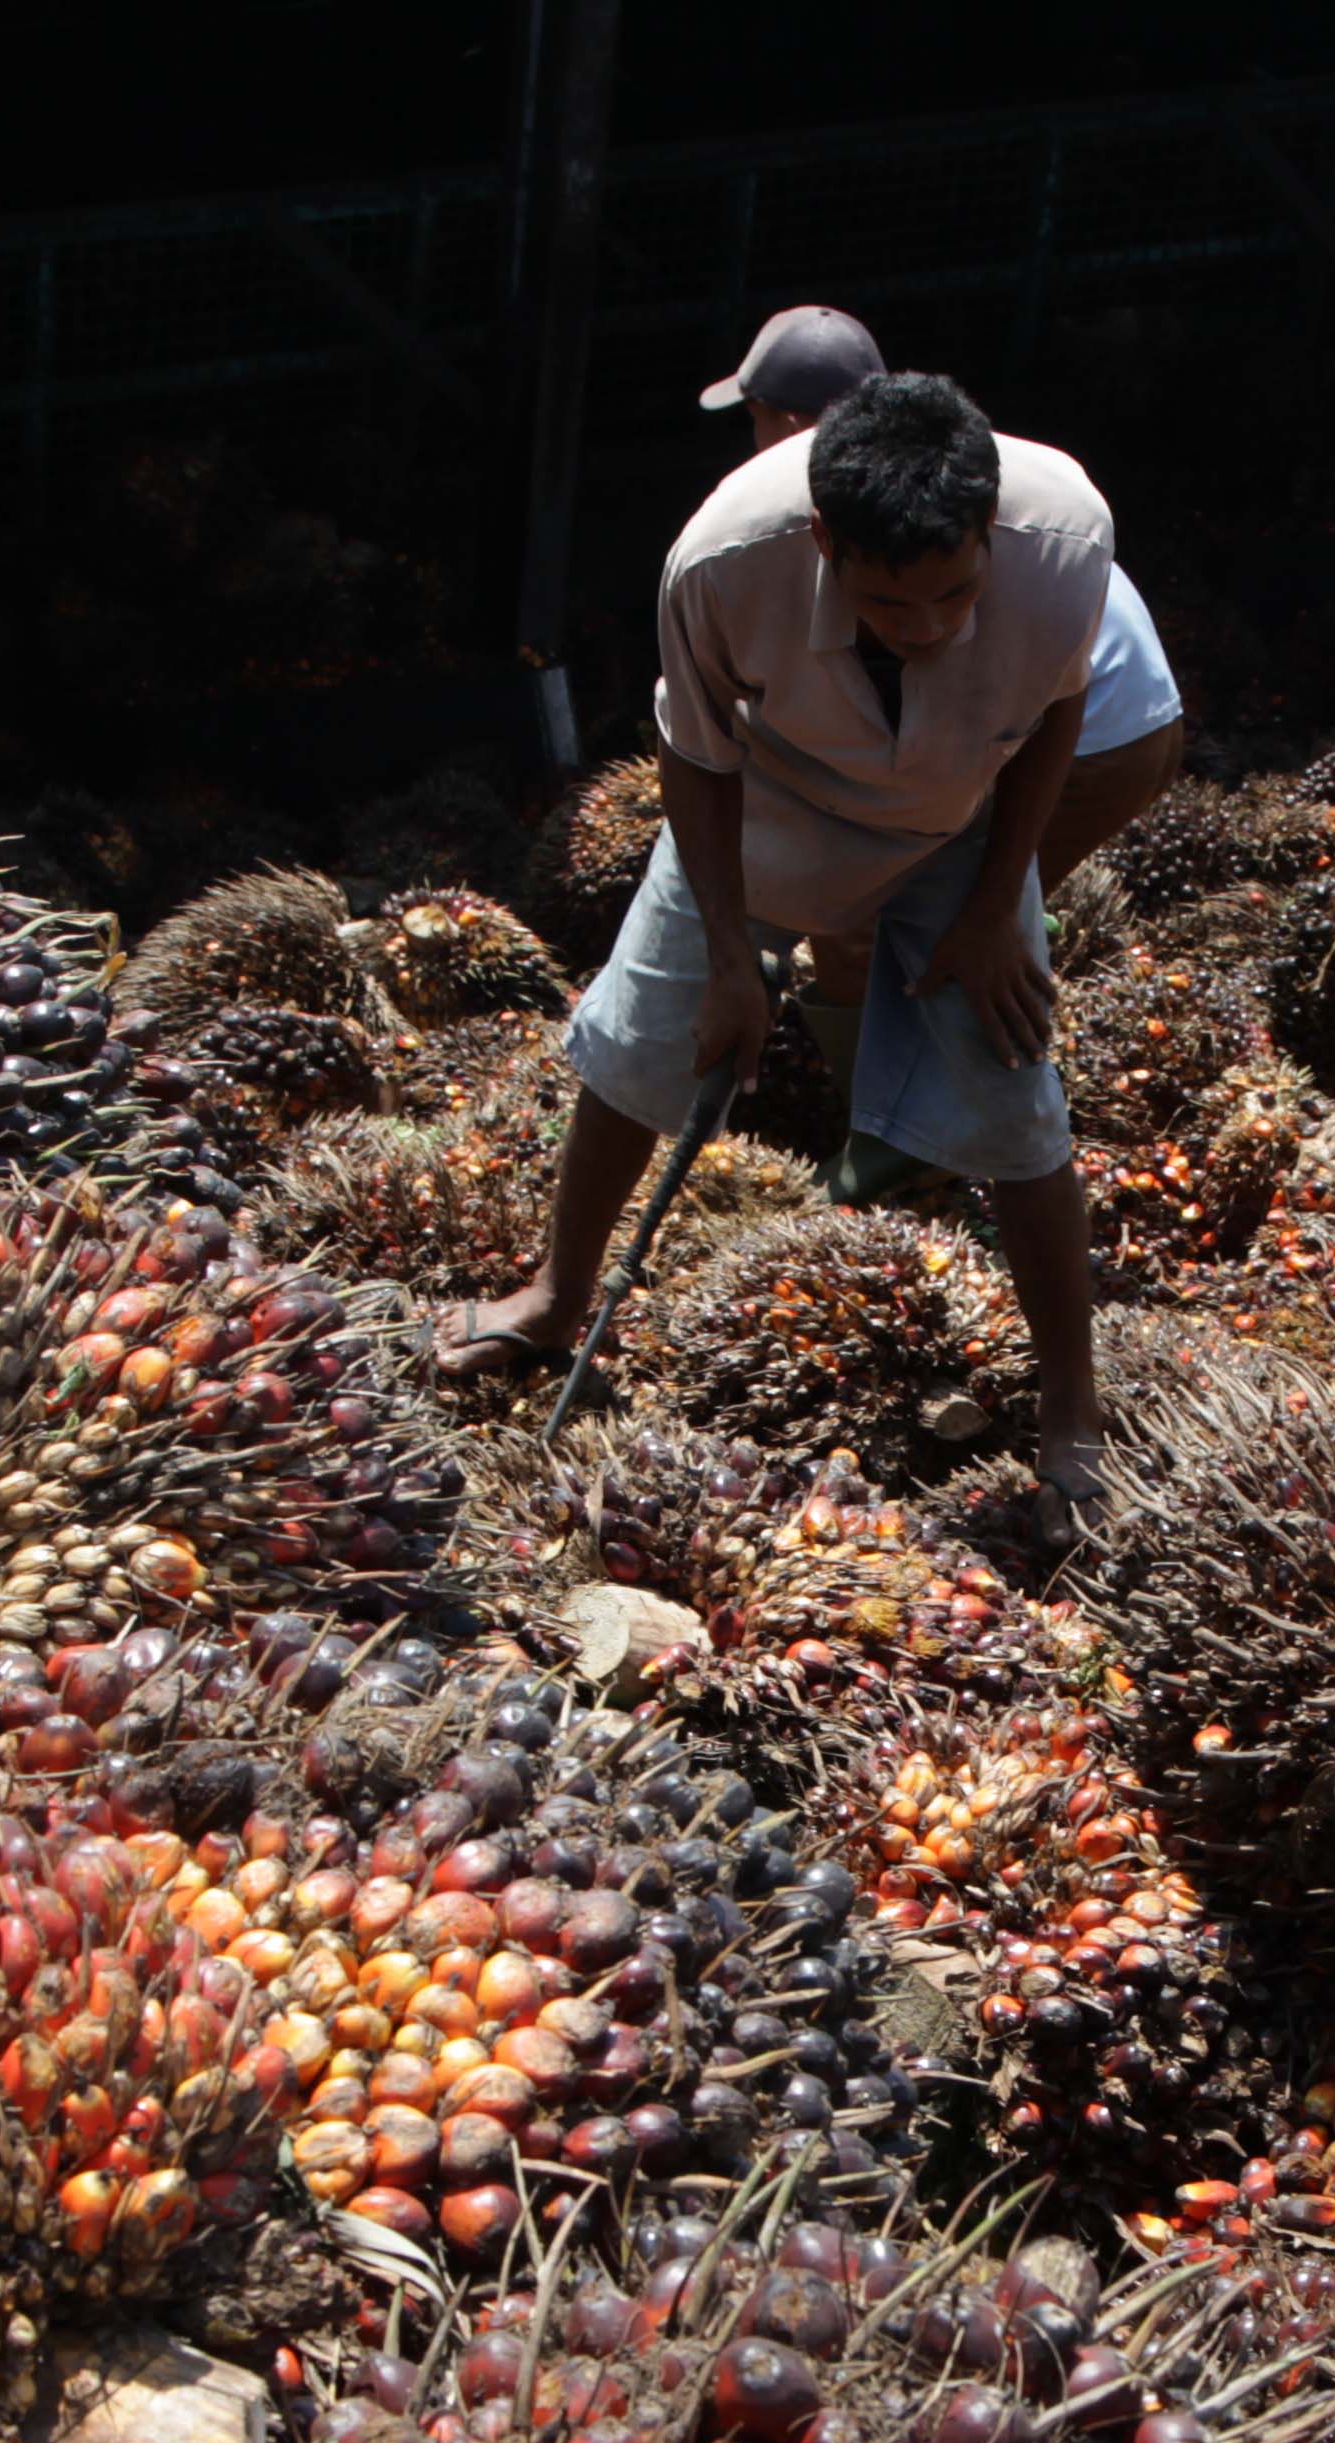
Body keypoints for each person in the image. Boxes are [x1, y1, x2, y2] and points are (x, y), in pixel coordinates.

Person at [440, 370, 1119, 1534]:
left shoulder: (1062, 533)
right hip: (767, 805)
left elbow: (1061, 713)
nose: (929, 628)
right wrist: (723, 956)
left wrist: (999, 900)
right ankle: (557, 1297)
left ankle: (1073, 1416)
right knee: (637, 1045)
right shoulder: (718, 562)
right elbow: (696, 759)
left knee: (1018, 1100)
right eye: (890, 608)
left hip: (961, 818)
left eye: (955, 595)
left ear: (986, 532)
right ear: (822, 540)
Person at [704, 305, 1188, 886]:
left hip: (1098, 732)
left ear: (789, 430)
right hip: (1131, 713)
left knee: (926, 917)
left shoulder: (888, 520)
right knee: (948, 914)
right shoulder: (921, 474)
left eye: (755, 422)